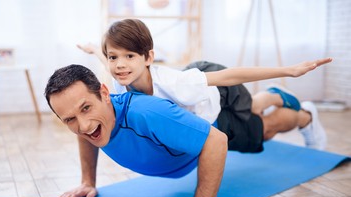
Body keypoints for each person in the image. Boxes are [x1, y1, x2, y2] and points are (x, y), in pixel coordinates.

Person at [78, 19, 331, 152]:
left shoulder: (174, 82)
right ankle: (274, 96)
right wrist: (94, 51)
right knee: (252, 110)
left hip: (217, 87)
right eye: (114, 57)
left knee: (255, 116)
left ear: (148, 58)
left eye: (129, 56)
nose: (119, 65)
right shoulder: (121, 81)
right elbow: (107, 61)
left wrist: (289, 70)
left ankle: (293, 107)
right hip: (198, 91)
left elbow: (231, 76)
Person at [45, 64, 228, 197]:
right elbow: (84, 132)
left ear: (104, 93)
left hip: (223, 104)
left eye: (86, 108)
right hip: (186, 110)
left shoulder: (146, 112)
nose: (83, 126)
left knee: (255, 125)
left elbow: (217, 141)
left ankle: (257, 102)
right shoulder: (92, 123)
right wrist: (87, 182)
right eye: (70, 119)